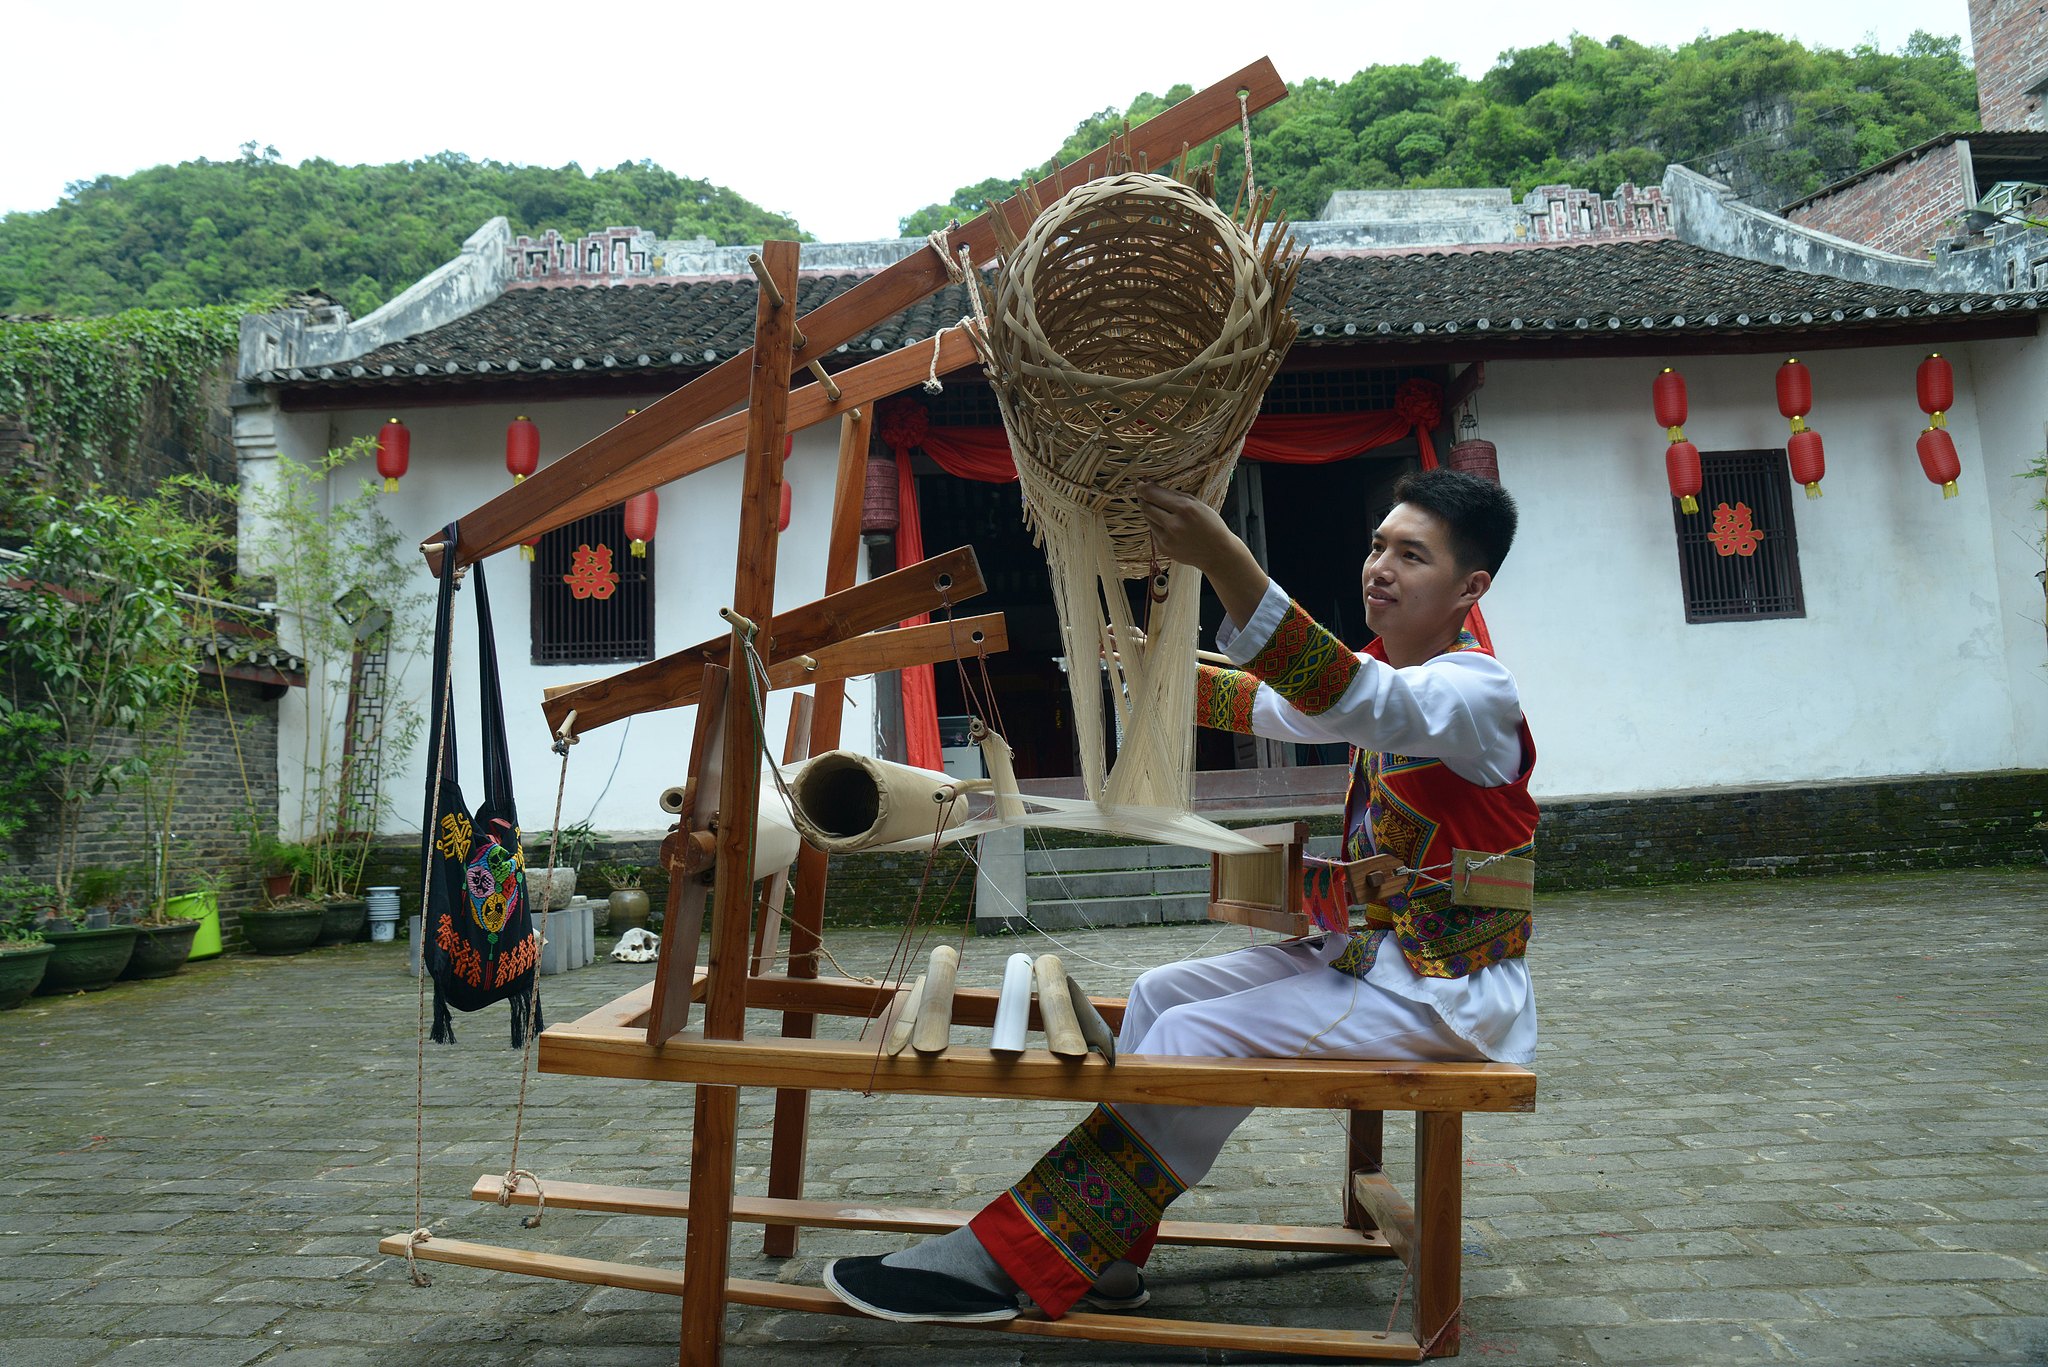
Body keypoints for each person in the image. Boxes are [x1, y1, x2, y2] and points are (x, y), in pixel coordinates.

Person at [823, 467, 1537, 1324]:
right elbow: (1290, 703)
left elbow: (1344, 695)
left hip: (1443, 995)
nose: (1380, 565)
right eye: (1378, 544)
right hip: (1370, 962)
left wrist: (1224, 554)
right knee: (1162, 996)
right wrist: (1146, 665)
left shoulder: (1473, 689)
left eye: (1411, 555)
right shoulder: (1390, 675)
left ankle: (1016, 1257)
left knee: (1198, 1038)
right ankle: (1108, 1255)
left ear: (1471, 587)